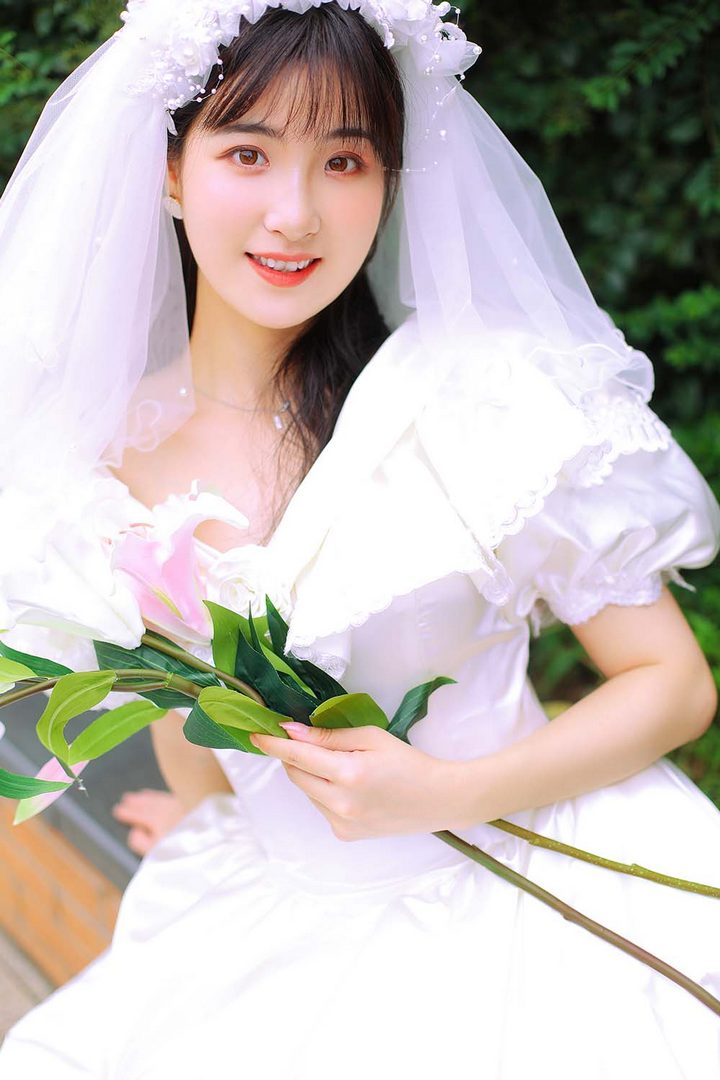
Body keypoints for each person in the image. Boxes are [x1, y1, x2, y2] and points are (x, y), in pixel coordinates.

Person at [0, 1, 719, 1076]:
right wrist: (206, 829)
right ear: (170, 169)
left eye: (344, 161)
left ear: (388, 183)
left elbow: (674, 684)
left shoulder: (477, 402)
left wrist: (448, 794)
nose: (294, 214)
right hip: (284, 926)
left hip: (539, 898)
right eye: (248, 152)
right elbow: (187, 698)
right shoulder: (96, 461)